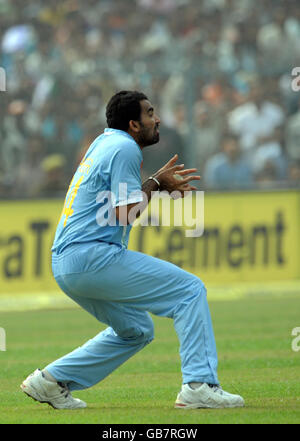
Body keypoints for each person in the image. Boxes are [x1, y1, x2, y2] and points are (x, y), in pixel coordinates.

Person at [20, 91, 245, 410]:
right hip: (92, 256)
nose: (158, 119)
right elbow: (126, 212)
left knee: (136, 330)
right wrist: (155, 182)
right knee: (190, 291)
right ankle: (199, 384)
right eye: (150, 113)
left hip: (66, 262)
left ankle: (51, 381)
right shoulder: (124, 147)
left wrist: (153, 182)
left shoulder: (103, 143)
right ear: (133, 124)